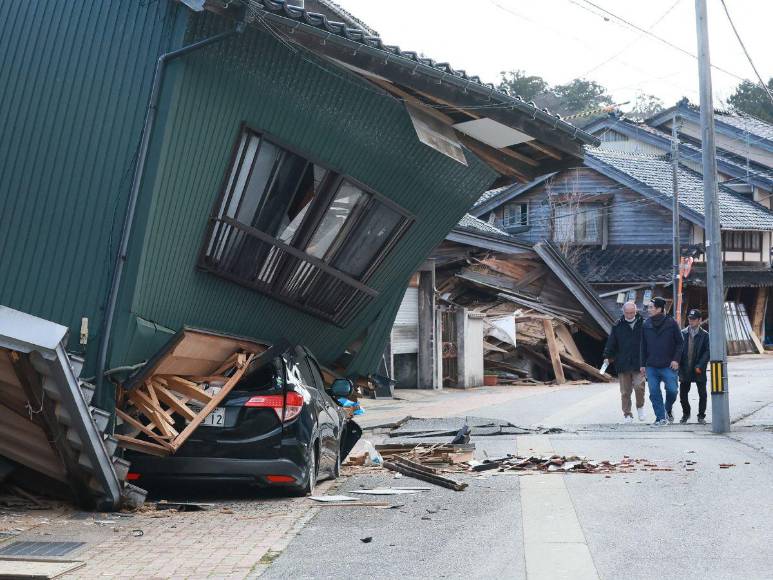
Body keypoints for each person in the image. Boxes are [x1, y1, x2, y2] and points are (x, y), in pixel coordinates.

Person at [640, 297, 683, 425]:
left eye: (651, 307)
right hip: (651, 366)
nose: (649, 310)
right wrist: (642, 364)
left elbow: (680, 343)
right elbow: (643, 345)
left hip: (668, 365)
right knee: (654, 392)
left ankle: (667, 409)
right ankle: (660, 418)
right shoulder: (646, 324)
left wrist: (676, 359)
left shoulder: (671, 323)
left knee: (672, 391)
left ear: (659, 309)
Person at [603, 301, 645, 423]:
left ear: (636, 311)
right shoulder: (618, 325)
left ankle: (640, 407)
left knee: (639, 386)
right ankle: (627, 414)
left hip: (639, 361)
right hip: (623, 362)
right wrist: (607, 355)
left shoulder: (643, 324)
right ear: (623, 312)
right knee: (625, 391)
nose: (630, 315)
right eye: (627, 313)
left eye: (632, 312)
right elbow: (611, 343)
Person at [678, 309, 710, 424]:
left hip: (698, 369)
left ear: (700, 320)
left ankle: (701, 416)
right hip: (685, 368)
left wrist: (700, 365)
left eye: (694, 319)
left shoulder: (705, 335)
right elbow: (678, 350)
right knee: (682, 395)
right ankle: (686, 414)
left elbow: (707, 352)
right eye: (690, 319)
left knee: (702, 394)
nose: (691, 321)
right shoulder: (683, 333)